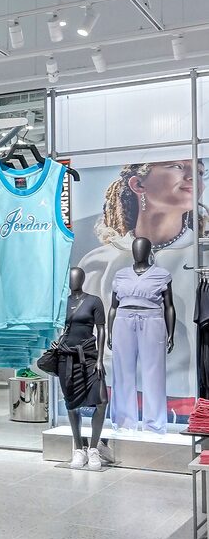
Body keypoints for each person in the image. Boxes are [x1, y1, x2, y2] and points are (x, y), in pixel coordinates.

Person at [78, 159, 206, 405]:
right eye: (178, 167)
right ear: (138, 184)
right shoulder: (98, 262)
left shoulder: (202, 256)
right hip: (114, 387)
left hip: (184, 392)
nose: (193, 177)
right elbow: (90, 329)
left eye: (200, 171)